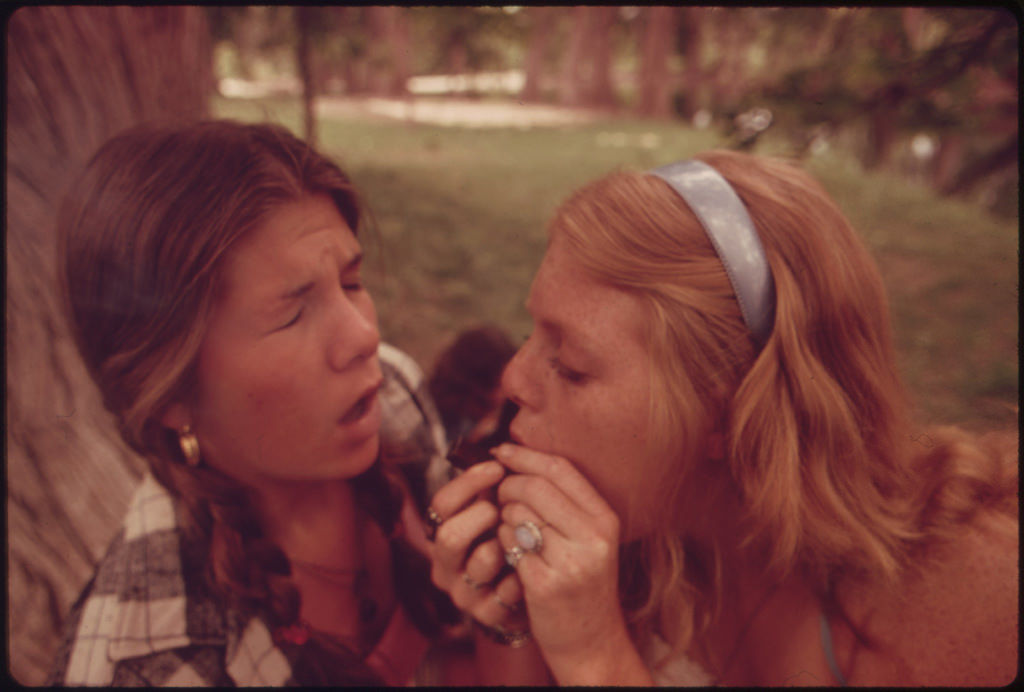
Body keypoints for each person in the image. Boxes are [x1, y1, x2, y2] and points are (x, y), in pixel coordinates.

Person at [427, 150, 1019, 685]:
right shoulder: (639, 544)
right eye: (533, 330)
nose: (512, 380)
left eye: (572, 366)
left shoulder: (976, 595)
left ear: (730, 413)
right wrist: (519, 607)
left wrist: (595, 659)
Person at [46, 120, 472, 686]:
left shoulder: (391, 393)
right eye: (293, 313)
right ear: (170, 395)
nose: (365, 337)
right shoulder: (153, 666)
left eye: (350, 282)